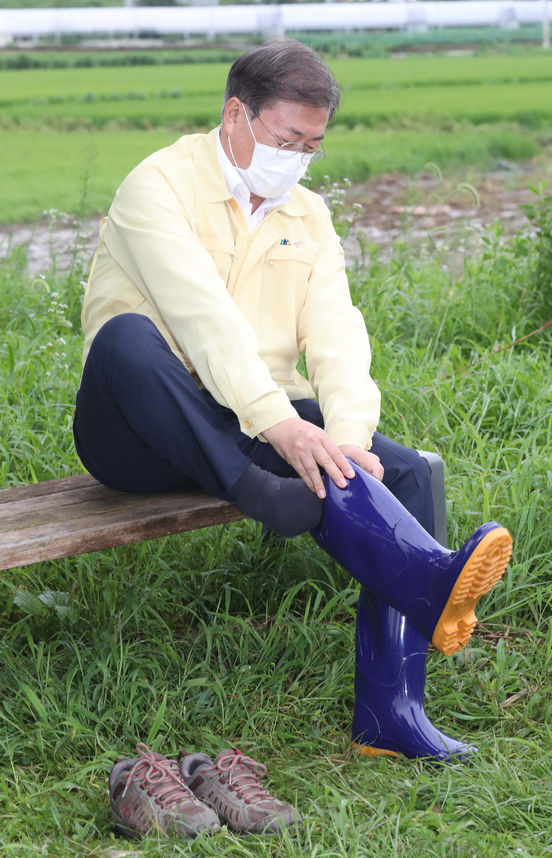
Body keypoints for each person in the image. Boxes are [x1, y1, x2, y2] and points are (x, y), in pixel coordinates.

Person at [74, 38, 513, 836]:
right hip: (141, 426)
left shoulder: (305, 212)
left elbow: (335, 329)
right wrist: (278, 426)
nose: (297, 161)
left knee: (408, 472)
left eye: (311, 147)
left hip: (250, 419)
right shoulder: (159, 186)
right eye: (285, 141)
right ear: (235, 115)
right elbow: (203, 324)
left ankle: (393, 710)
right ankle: (300, 516)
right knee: (126, 340)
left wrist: (347, 436)